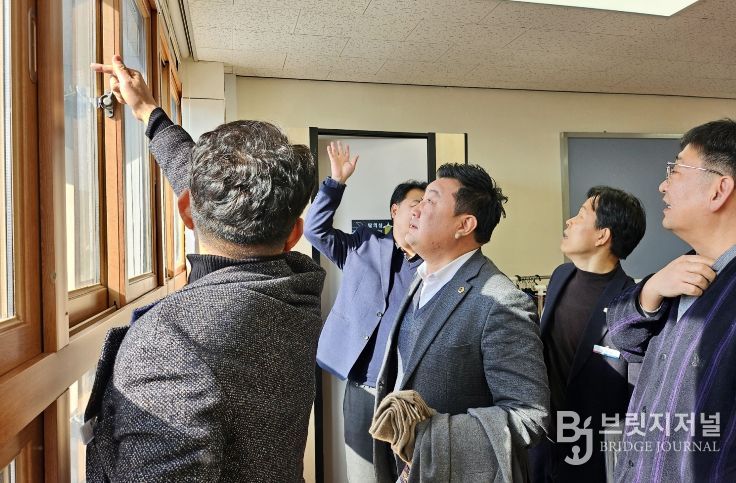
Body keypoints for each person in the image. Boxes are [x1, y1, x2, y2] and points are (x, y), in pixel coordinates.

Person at [84, 55, 325, 482]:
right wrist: (150, 114)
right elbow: (196, 180)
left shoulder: (172, 342)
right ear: (294, 234)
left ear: (186, 212)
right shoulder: (297, 291)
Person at [373, 163, 550, 482]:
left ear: (464, 224)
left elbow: (528, 416)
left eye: (430, 200)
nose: (416, 209)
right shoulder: (421, 277)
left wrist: (428, 435)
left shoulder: (501, 302)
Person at [606, 119, 736, 482]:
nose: (663, 186)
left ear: (719, 190)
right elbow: (623, 338)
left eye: (675, 171)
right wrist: (650, 291)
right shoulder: (679, 272)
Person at [303, 142, 426, 482]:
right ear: (395, 210)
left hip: (410, 392)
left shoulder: (434, 266)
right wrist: (336, 182)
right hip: (363, 387)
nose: (421, 212)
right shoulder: (364, 245)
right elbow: (314, 230)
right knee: (363, 475)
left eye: (427, 207)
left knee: (409, 474)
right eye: (415, 204)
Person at [531, 186, 646, 482]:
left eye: (581, 215)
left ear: (602, 235)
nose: (569, 221)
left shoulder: (631, 302)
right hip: (542, 443)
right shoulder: (560, 276)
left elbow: (634, 395)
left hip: (591, 455)